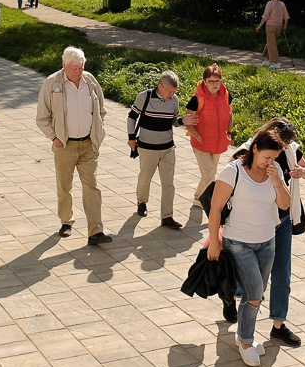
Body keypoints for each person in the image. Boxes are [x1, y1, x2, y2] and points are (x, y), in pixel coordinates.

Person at [206, 128, 291, 367]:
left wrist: (276, 179)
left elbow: (284, 204)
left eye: (273, 158)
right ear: (254, 149)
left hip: (267, 241)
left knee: (257, 292)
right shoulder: (233, 171)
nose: (269, 162)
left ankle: (245, 335)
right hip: (238, 241)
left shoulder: (274, 173)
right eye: (266, 157)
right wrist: (214, 240)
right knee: (254, 293)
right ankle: (245, 341)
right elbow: (215, 208)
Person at [229, 118, 305, 346]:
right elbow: (232, 177)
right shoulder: (249, 150)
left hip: (282, 221)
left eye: (287, 143)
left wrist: (301, 171)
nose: (284, 147)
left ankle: (278, 324)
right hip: (255, 223)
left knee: (282, 273)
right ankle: (232, 299)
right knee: (252, 278)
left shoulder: (292, 150)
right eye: (282, 143)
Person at [35, 46, 112, 246]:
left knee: (92, 187)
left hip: (88, 144)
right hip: (65, 146)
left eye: (81, 67)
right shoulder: (52, 83)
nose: (78, 72)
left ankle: (96, 231)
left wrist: (98, 132)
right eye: (73, 69)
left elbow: (101, 110)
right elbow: (42, 118)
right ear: (63, 65)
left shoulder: (91, 81)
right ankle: (66, 221)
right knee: (64, 187)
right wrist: (54, 137)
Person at [128, 71, 192, 230]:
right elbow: (131, 117)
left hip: (168, 148)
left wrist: (183, 121)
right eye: (170, 91)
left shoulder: (174, 100)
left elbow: (174, 122)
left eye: (174, 92)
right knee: (145, 178)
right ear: (160, 86)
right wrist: (131, 138)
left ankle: (167, 216)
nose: (172, 94)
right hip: (147, 148)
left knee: (169, 183)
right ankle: (142, 202)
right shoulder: (145, 97)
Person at [186, 64, 233, 206]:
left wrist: (229, 133)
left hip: (218, 142)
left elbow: (230, 115)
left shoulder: (225, 95)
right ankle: (209, 204)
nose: (215, 85)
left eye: (217, 81)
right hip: (201, 144)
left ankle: (198, 197)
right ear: (205, 81)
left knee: (209, 174)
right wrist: (199, 138)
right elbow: (188, 121)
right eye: (211, 81)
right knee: (209, 175)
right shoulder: (196, 99)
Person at [256, 0, 289, 69]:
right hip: (279, 26)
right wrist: (285, 26)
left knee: (272, 44)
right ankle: (268, 59)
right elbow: (286, 17)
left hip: (270, 26)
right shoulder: (282, 4)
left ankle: (275, 62)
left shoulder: (269, 3)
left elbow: (265, 16)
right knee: (271, 43)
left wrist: (259, 26)